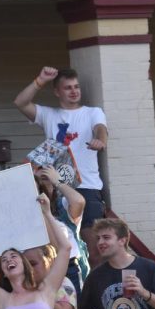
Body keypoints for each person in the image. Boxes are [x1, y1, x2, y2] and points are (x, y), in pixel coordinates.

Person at [14, 66, 109, 236]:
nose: (74, 91)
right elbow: (20, 103)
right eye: (68, 87)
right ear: (57, 92)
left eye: (76, 86)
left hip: (87, 187)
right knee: (62, 242)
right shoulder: (49, 114)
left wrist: (100, 140)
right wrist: (40, 81)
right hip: (57, 189)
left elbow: (101, 128)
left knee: (92, 245)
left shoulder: (92, 112)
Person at [34, 164, 89, 293]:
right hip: (42, 267)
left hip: (69, 266)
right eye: (40, 173)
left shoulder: (62, 205)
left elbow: (79, 202)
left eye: (48, 174)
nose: (44, 174)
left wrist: (57, 181)